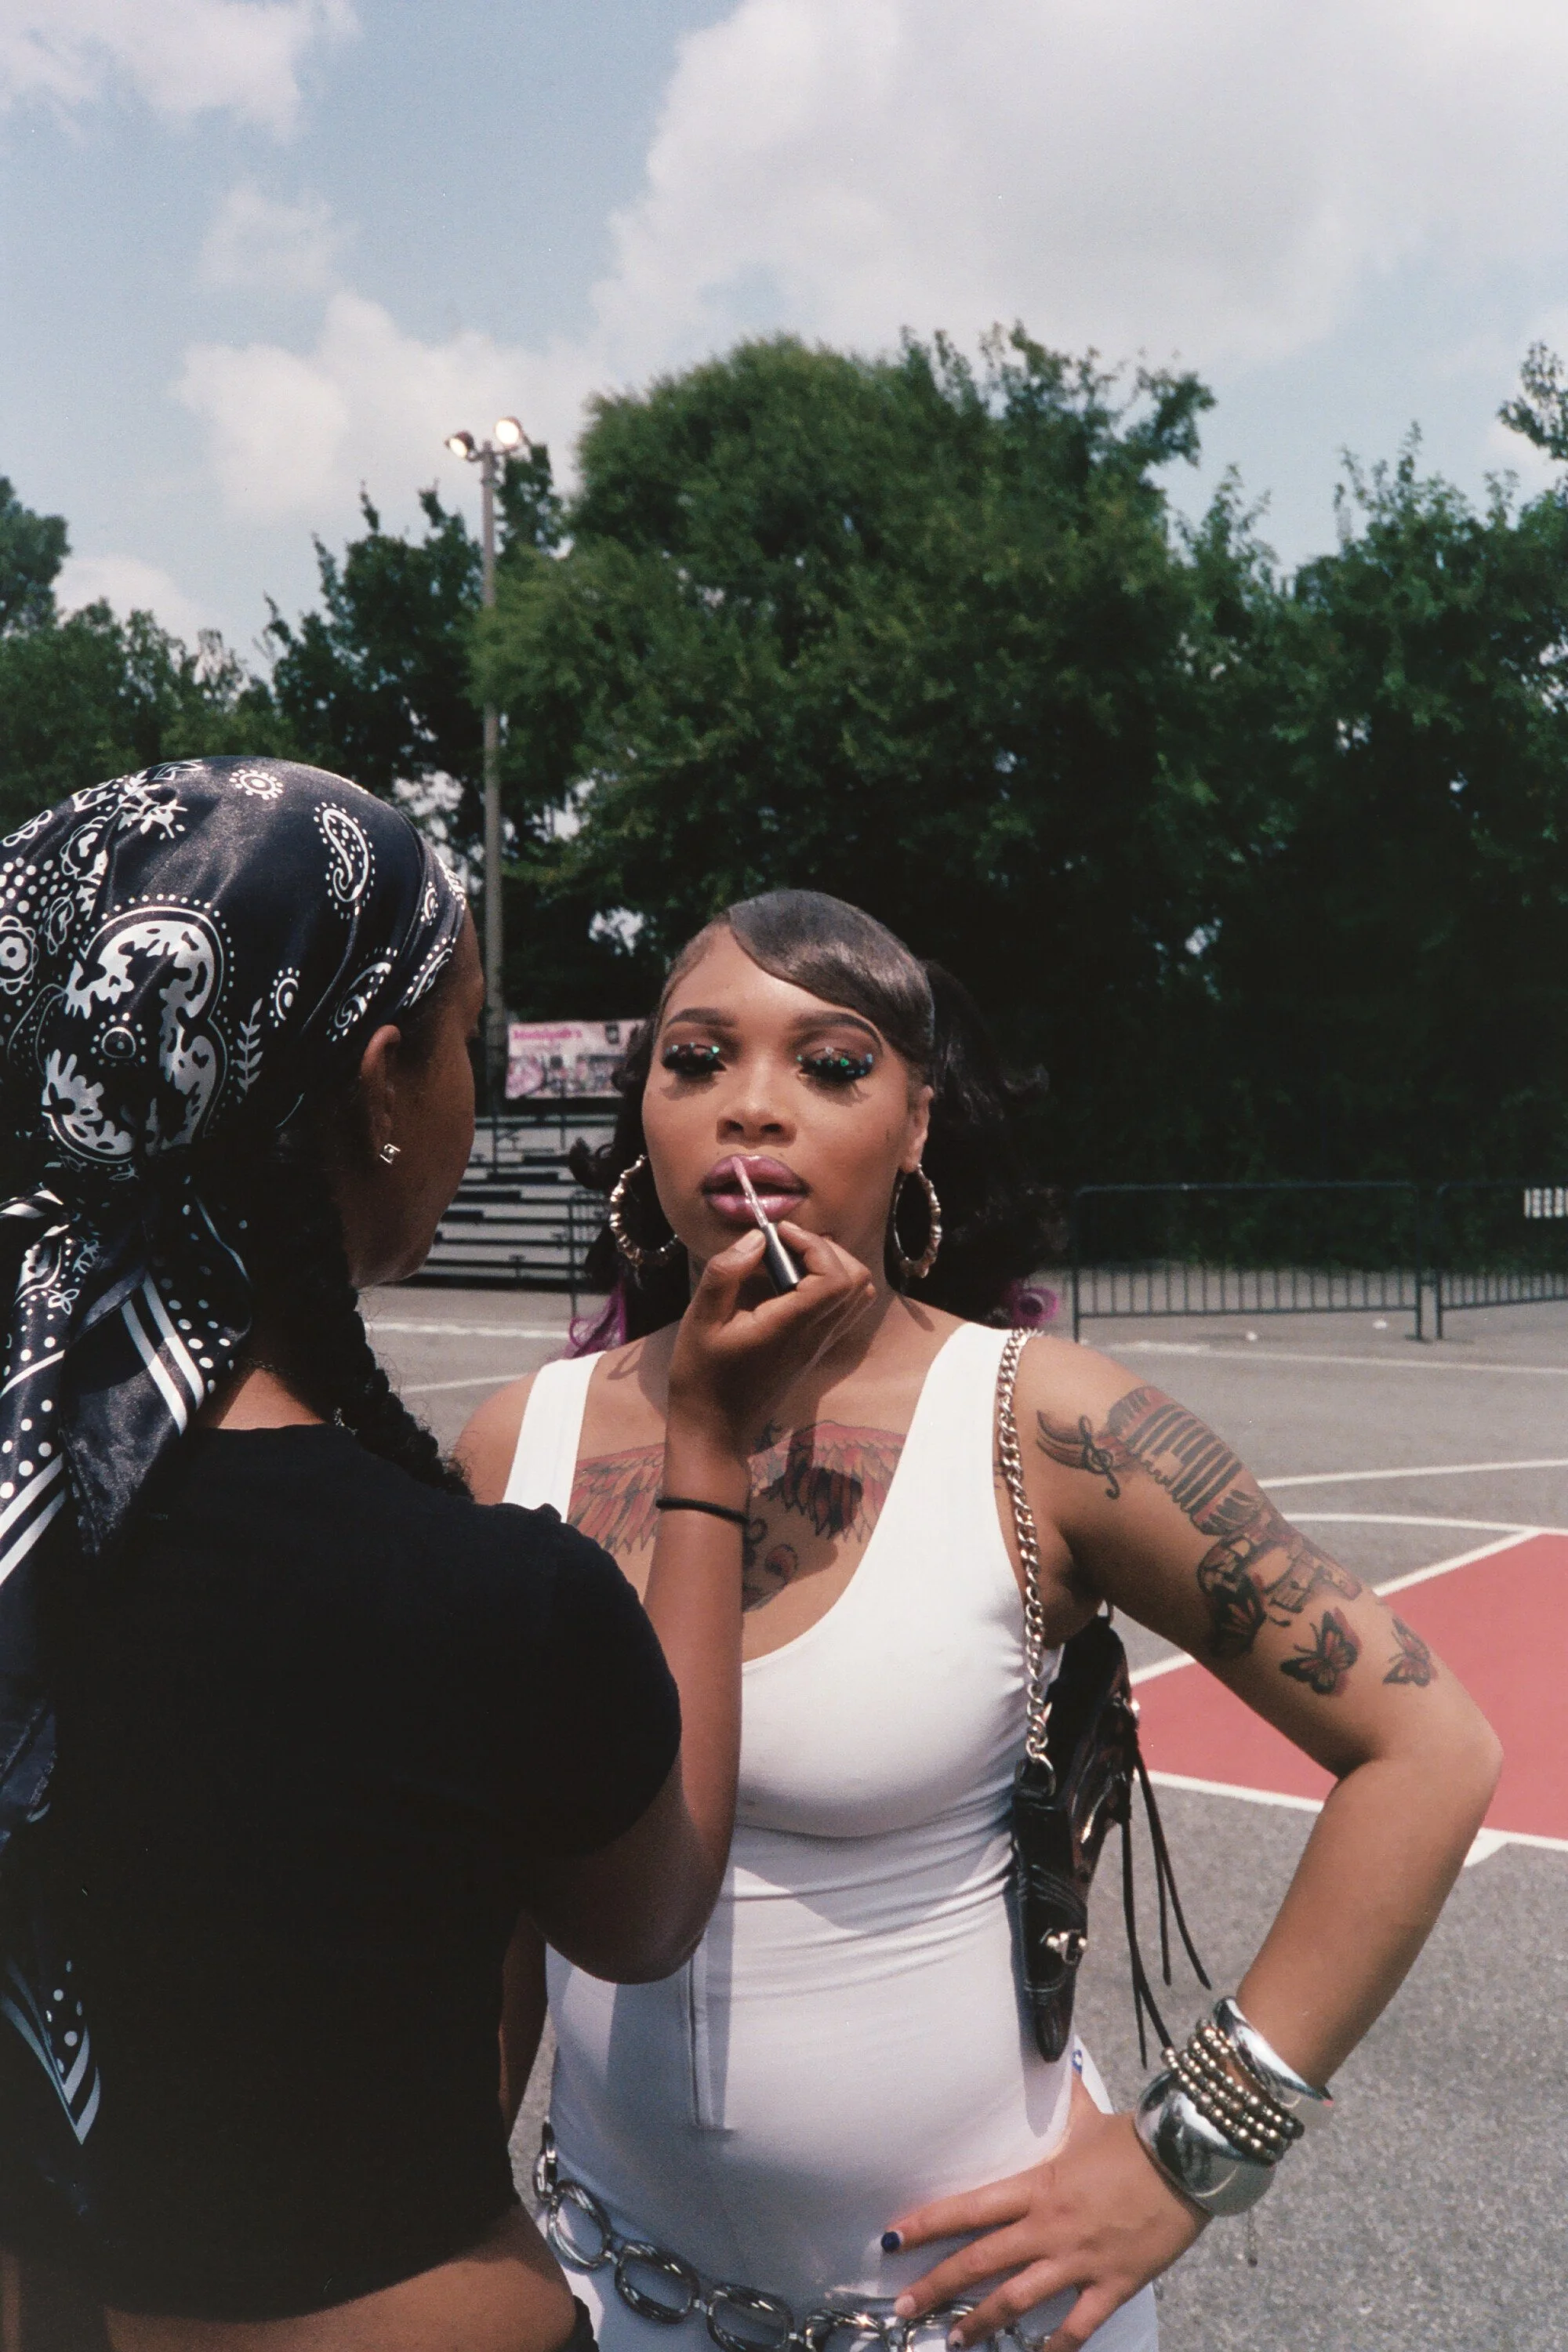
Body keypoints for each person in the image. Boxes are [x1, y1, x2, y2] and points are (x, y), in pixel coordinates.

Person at [460, 888, 1503, 2352]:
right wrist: (440, 2219)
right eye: (695, 1059)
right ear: (644, 1112)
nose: (749, 1109)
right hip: (607, 2293)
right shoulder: (522, 1443)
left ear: (919, 1124)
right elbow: (500, 1888)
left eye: (829, 1066)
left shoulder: (1045, 1425)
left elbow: (1428, 1745)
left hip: (978, 2317)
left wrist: (1187, 2156)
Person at [0, 766, 874, 2352]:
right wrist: (702, 1445)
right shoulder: (480, 1596)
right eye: (465, 1032)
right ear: (384, 1077)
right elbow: (648, 1900)